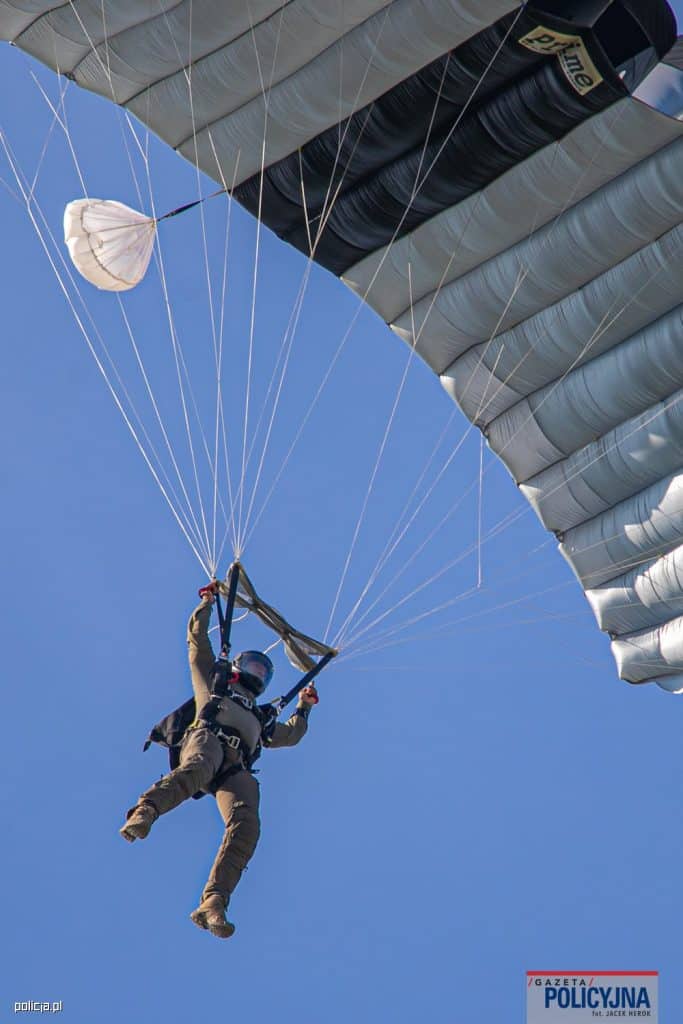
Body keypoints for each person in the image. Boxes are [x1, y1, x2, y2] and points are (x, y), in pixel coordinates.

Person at [119, 583, 318, 938]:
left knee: (247, 824)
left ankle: (214, 901)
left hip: (234, 769)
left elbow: (293, 735)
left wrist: (303, 706)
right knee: (196, 770)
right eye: (254, 666)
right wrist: (206, 605)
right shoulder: (215, 684)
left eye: (264, 672)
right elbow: (198, 645)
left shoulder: (263, 719)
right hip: (206, 742)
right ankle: (145, 811)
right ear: (240, 666)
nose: (258, 673)